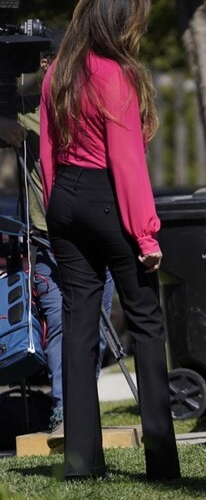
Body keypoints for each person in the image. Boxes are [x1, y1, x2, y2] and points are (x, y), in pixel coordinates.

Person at [39, 0, 180, 480]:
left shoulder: (59, 70)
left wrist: (59, 208)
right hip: (107, 199)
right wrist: (146, 234)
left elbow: (47, 152)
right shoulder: (114, 75)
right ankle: (162, 461)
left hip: (65, 202)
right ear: (120, 23)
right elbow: (126, 162)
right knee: (145, 321)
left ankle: (81, 463)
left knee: (79, 325)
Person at [14, 31, 117, 449]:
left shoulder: (91, 102)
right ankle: (64, 411)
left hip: (98, 234)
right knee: (60, 325)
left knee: (89, 326)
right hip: (51, 239)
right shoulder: (31, 109)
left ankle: (81, 409)